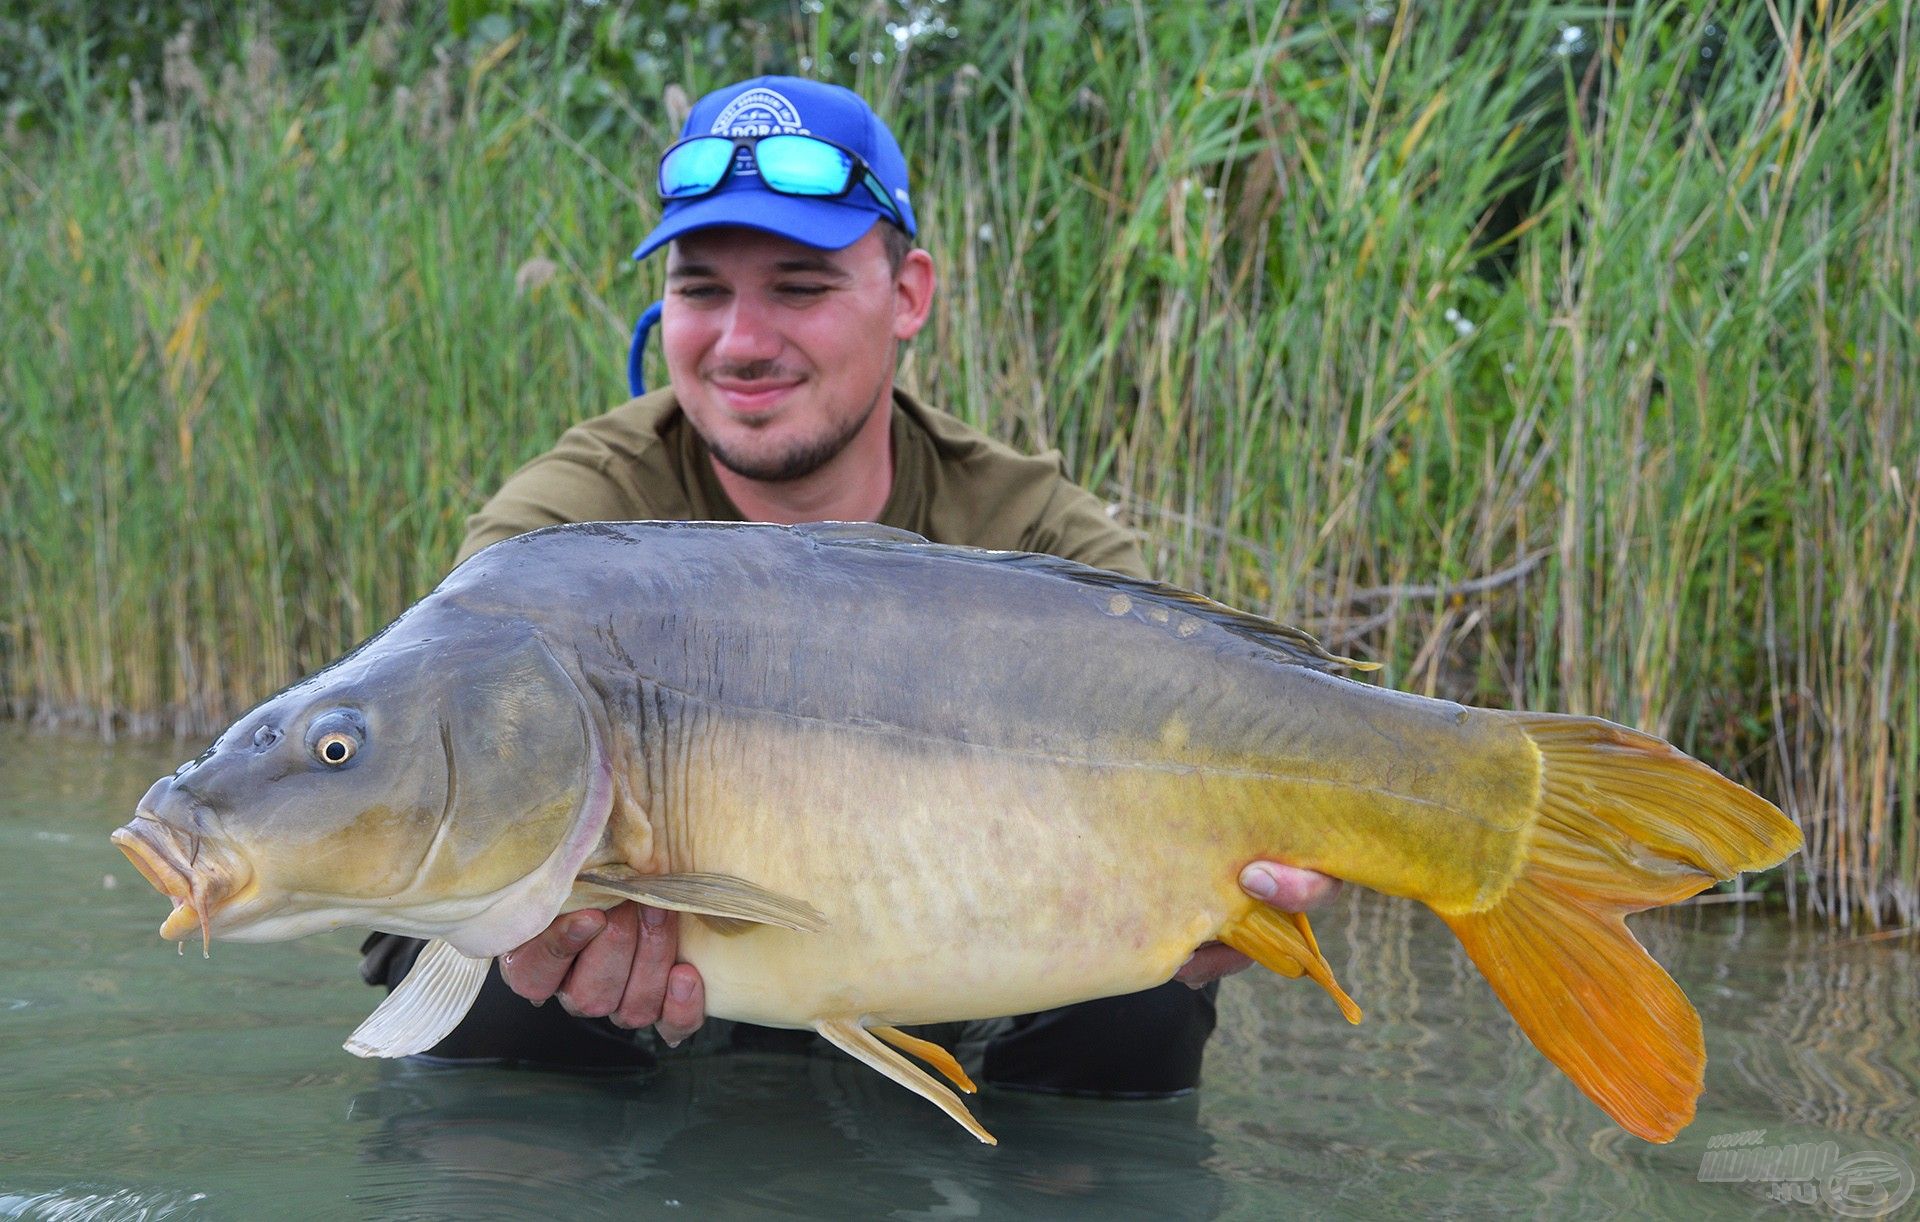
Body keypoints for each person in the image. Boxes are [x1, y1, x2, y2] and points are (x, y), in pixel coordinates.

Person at [362, 75, 1338, 1093]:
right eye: (700, 289)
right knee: (468, 926)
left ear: (909, 292)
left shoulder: (1038, 533)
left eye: (800, 287)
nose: (741, 342)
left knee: (1148, 988)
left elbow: (1213, 761)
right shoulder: (562, 530)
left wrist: (1252, 887)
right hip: (662, 958)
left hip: (956, 964)